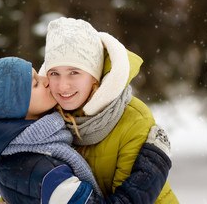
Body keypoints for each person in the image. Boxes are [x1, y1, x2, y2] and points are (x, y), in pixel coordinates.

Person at [0, 57, 173, 204]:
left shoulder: (24, 154)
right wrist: (154, 164)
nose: (46, 80)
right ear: (14, 112)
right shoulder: (41, 170)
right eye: (34, 83)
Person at [39, 17, 179, 203]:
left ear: (94, 76)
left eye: (74, 72)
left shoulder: (132, 119)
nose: (63, 86)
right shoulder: (44, 119)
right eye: (54, 73)